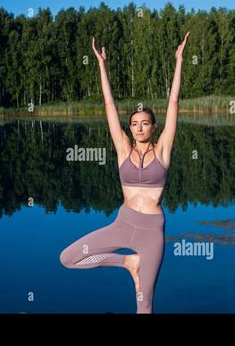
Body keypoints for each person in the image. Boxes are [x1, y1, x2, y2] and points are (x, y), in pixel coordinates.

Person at [60, 32, 190, 313]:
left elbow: (174, 102)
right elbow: (109, 106)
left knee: (144, 306)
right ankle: (128, 263)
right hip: (122, 224)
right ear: (129, 128)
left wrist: (179, 61)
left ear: (154, 127)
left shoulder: (163, 149)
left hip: (151, 233)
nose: (139, 127)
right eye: (134, 124)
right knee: (68, 258)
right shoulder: (122, 150)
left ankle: (136, 266)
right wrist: (101, 66)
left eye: (145, 123)